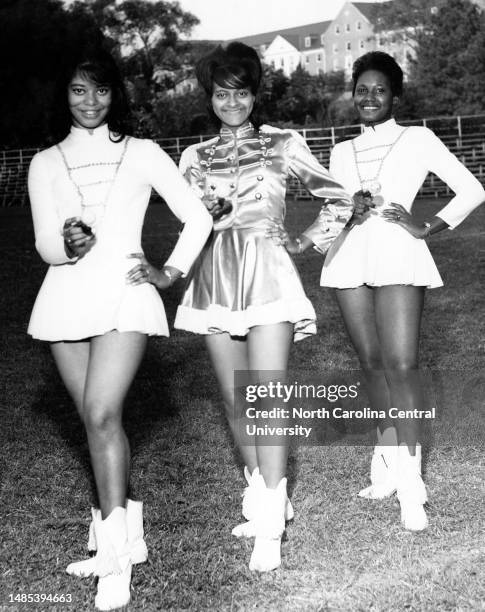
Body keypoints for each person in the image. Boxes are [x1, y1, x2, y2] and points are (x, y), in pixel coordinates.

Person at [28, 46, 212, 611]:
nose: (90, 101)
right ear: (63, 95)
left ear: (116, 95)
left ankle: (114, 561)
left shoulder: (144, 151)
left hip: (127, 295)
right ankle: (125, 534)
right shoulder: (44, 161)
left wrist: (170, 271)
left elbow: (199, 214)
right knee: (92, 419)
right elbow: (43, 244)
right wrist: (66, 243)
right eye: (79, 90)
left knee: (104, 413)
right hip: (64, 297)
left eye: (101, 90)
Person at [168, 42, 352, 572]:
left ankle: (269, 525)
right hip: (214, 280)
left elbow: (339, 197)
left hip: (269, 273)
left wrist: (304, 241)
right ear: (210, 97)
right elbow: (192, 225)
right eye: (222, 93)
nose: (232, 102)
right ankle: (264, 494)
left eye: (241, 92)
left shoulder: (283, 143)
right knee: (234, 403)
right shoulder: (193, 157)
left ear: (254, 94)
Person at [320, 51, 485, 531]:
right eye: (362, 89)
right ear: (353, 94)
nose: (369, 97)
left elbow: (472, 189)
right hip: (349, 256)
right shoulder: (340, 150)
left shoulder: (418, 139)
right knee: (372, 367)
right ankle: (386, 464)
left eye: (380, 90)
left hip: (399, 254)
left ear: (395, 95)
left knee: (402, 367)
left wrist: (427, 225)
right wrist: (343, 213)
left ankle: (412, 486)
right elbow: (334, 214)